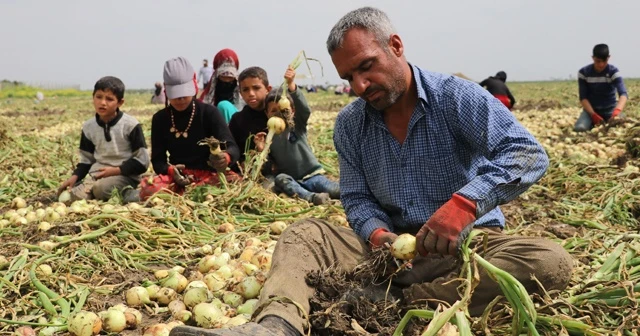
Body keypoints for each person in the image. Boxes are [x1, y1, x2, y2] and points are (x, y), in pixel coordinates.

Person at [169, 7, 573, 336]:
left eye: (367, 67)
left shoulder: (456, 97)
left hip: (465, 250)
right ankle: (276, 326)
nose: (360, 85)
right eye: (349, 78)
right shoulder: (351, 123)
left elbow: (527, 153)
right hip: (386, 255)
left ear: (396, 46)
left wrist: (466, 205)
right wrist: (379, 234)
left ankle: (399, 303)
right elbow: (358, 199)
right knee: (305, 234)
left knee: (549, 261)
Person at [139, 57, 241, 201]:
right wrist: (170, 171)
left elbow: (233, 147)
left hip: (210, 175)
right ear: (166, 90)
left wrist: (226, 157)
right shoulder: (160, 119)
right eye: (176, 95)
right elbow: (158, 160)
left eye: (184, 94)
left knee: (235, 185)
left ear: (194, 85)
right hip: (179, 177)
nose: (180, 99)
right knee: (150, 190)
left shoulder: (209, 113)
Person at [253, 68, 340, 206]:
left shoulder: (296, 125)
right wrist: (261, 149)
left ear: (292, 111)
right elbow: (268, 169)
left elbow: (304, 109)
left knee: (333, 189)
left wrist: (292, 85)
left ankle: (354, 193)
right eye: (273, 111)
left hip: (313, 176)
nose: (278, 114)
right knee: (281, 179)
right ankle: (312, 198)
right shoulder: (268, 137)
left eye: (283, 110)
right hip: (292, 180)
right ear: (267, 114)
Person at [57, 76, 149, 203]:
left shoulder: (130, 125)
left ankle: (133, 194)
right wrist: (75, 176)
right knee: (73, 198)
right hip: (97, 175)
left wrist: (115, 171)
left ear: (120, 103)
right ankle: (97, 191)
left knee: (101, 189)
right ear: (93, 97)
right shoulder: (89, 127)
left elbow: (142, 161)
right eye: (99, 97)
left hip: (125, 175)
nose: (103, 102)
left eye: (109, 99)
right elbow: (86, 160)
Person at [574, 44, 628, 132]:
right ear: (593, 58)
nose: (601, 64)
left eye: (604, 61)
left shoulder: (613, 72)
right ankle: (592, 123)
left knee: (622, 127)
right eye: (598, 61)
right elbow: (583, 98)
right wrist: (593, 115)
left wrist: (617, 111)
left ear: (608, 58)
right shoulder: (584, 73)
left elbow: (623, 94)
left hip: (610, 109)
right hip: (592, 110)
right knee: (580, 128)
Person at [228, 66, 272, 165]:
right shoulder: (238, 120)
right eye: (245, 90)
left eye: (256, 88)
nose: (251, 94)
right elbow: (234, 150)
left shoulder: (277, 115)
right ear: (241, 93)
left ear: (268, 89)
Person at [200, 49, 245, 124]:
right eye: (223, 77)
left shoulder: (244, 96)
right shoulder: (205, 100)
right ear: (217, 77)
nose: (227, 81)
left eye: (230, 77)